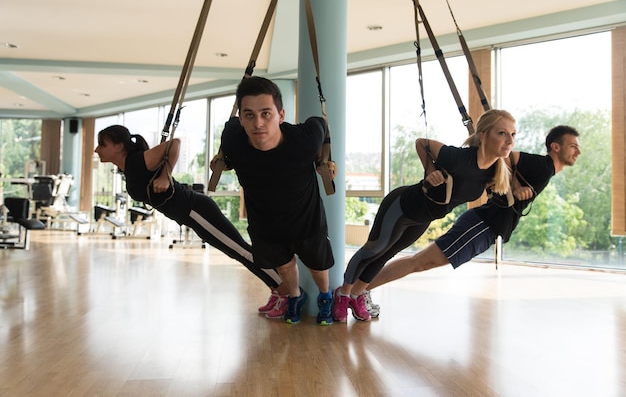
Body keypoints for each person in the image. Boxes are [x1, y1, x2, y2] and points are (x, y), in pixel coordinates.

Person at [365, 125, 581, 316]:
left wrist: (509, 186)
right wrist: (514, 187)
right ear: (555, 147)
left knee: (420, 262)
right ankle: (360, 291)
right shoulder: (543, 166)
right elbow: (503, 156)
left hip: (485, 225)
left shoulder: (547, 171)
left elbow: (502, 165)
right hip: (483, 224)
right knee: (420, 262)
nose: (578, 151)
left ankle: (360, 290)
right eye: (573, 146)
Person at [333, 109, 517, 322]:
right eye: (502, 133)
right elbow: (422, 143)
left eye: (513, 135)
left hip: (423, 218)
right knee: (373, 250)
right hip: (402, 206)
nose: (509, 141)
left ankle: (357, 295)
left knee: (385, 255)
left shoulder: (494, 171)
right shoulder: (460, 158)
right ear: (483, 135)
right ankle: (343, 293)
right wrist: (430, 172)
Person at [95, 125, 289, 315]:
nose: (97, 149)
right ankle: (277, 289)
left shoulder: (137, 161)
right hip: (191, 215)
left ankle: (287, 291)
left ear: (119, 146)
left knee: (239, 250)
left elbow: (174, 144)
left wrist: (166, 176)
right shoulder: (129, 167)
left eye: (102, 144)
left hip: (195, 209)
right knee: (236, 251)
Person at [212, 76, 335, 325]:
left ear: (281, 114)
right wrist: (223, 163)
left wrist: (326, 160)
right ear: (241, 118)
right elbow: (230, 142)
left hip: (305, 218)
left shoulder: (304, 140)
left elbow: (320, 124)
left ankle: (325, 296)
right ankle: (295, 297)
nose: (258, 123)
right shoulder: (233, 139)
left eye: (266, 114)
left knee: (317, 264)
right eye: (249, 115)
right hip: (265, 224)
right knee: (284, 266)